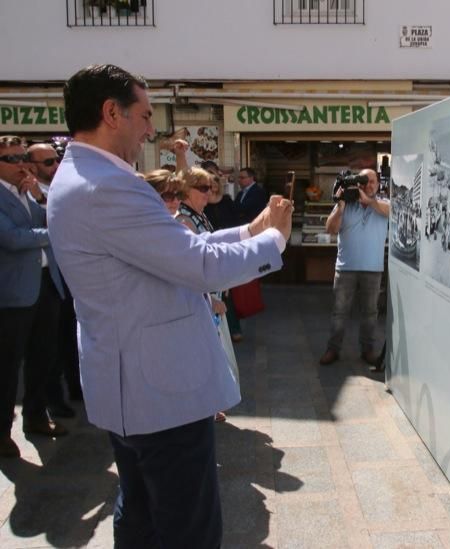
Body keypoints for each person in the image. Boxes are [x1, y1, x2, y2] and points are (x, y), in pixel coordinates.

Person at [46, 64, 292, 548]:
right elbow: (199, 266)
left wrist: (250, 230)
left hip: (135, 386)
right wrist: (275, 242)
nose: (150, 130)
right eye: (143, 116)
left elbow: (174, 247)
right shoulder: (107, 187)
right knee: (187, 528)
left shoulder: (88, 177)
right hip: (159, 391)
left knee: (140, 514)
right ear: (110, 113)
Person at [0, 135, 68, 459]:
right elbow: (12, 239)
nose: (20, 165)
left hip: (45, 283)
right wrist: (56, 234)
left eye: (21, 157)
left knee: (44, 355)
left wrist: (40, 196)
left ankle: (37, 415)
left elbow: (44, 220)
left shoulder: (27, 192)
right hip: (13, 294)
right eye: (11, 159)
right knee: (9, 365)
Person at [27, 142, 81, 415]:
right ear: (31, 165)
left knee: (68, 336)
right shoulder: (28, 194)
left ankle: (73, 388)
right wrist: (39, 202)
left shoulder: (59, 188)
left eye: (56, 159)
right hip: (34, 279)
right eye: (47, 162)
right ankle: (48, 401)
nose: (55, 165)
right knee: (44, 347)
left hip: (64, 275)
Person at [319, 168, 390, 367]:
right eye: (364, 181)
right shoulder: (347, 204)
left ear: (378, 184)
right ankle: (333, 349)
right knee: (340, 312)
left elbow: (392, 212)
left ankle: (367, 350)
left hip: (373, 269)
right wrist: (340, 206)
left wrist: (371, 202)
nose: (369, 185)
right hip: (345, 268)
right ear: (357, 183)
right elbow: (331, 229)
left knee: (370, 312)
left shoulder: (384, 204)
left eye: (373, 181)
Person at [204, 174, 244, 343]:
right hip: (211, 249)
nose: (212, 188)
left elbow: (236, 222)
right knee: (220, 292)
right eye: (207, 185)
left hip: (228, 248)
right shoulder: (203, 204)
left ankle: (234, 328)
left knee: (228, 291)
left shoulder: (227, 200)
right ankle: (221, 329)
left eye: (214, 184)